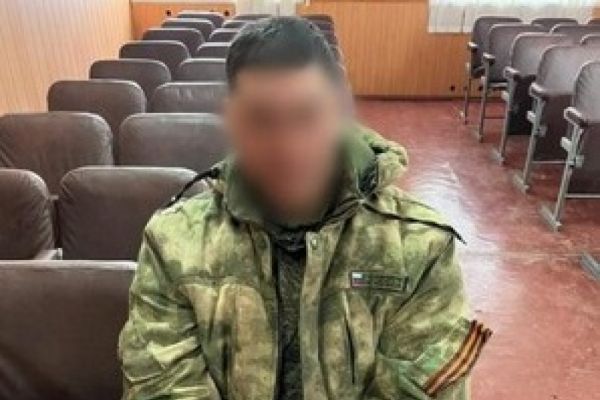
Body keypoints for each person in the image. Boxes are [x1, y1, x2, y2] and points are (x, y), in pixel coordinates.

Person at [118, 16, 490, 400]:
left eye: (307, 116)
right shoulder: (174, 245)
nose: (289, 150)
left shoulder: (419, 248)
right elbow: (161, 389)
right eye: (262, 120)